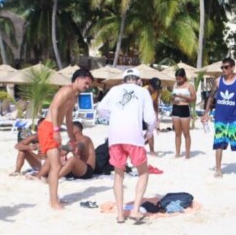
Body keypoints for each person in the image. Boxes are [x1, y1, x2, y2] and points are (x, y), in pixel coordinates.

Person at [97, 68, 157, 224]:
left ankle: (120, 215)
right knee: (143, 172)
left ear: (124, 80)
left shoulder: (114, 90)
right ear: (139, 80)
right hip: (134, 136)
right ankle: (135, 210)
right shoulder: (143, 92)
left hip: (115, 136)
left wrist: (114, 117)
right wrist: (149, 133)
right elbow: (151, 118)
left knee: (118, 174)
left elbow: (100, 109)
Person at [37, 69, 94, 210]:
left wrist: (72, 139)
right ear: (78, 79)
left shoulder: (74, 96)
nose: (87, 86)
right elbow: (54, 108)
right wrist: (56, 130)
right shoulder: (66, 91)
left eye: (89, 85)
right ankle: (53, 202)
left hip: (52, 128)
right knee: (56, 166)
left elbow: (69, 119)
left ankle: (54, 199)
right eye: (86, 83)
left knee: (55, 165)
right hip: (49, 127)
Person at [201, 57, 236, 180]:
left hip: (234, 118)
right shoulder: (218, 81)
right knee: (219, 144)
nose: (223, 69)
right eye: (222, 67)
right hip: (220, 118)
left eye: (226, 67)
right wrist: (206, 112)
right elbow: (210, 97)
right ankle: (218, 170)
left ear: (232, 68)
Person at [171, 68, 197, 159]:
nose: (178, 80)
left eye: (180, 78)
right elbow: (172, 98)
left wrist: (182, 96)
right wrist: (172, 99)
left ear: (184, 77)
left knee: (186, 133)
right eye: (177, 78)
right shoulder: (175, 85)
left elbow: (194, 98)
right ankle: (177, 152)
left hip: (185, 108)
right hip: (175, 108)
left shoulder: (189, 85)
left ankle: (187, 153)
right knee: (177, 133)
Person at [144, 78, 161, 155]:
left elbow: (155, 103)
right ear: (149, 85)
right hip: (140, 112)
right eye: (154, 87)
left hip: (149, 113)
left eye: (156, 88)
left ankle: (152, 151)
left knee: (150, 131)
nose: (155, 90)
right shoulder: (142, 91)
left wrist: (157, 116)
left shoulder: (156, 91)